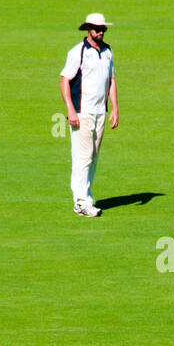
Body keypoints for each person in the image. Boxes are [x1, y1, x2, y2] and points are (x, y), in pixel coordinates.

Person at [58, 13, 118, 217]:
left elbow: (111, 80)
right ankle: (81, 202)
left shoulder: (108, 51)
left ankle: (86, 198)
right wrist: (70, 110)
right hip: (82, 112)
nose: (101, 32)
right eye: (97, 28)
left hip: (100, 112)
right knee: (82, 157)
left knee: (93, 157)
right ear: (88, 29)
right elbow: (64, 80)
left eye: (103, 29)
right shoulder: (78, 52)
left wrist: (115, 108)